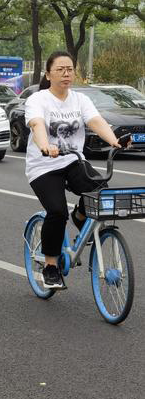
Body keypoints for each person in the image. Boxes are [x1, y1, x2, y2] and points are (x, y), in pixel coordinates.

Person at [25, 50, 127, 290]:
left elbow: (96, 121)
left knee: (102, 192)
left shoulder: (80, 100)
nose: (66, 73)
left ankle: (80, 216)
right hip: (43, 166)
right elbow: (37, 124)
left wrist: (114, 141)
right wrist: (44, 145)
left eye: (69, 69)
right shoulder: (38, 99)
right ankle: (51, 266)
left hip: (72, 160)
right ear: (49, 74)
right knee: (57, 211)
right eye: (60, 69)